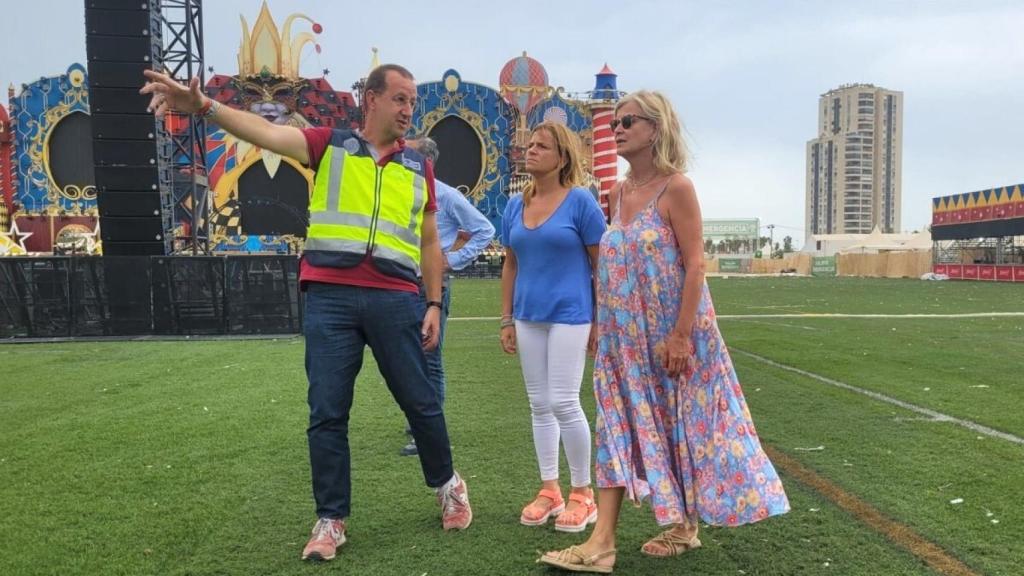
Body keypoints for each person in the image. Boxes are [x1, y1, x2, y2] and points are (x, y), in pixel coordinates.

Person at [140, 64, 473, 563]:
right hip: (330, 297)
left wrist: (431, 302)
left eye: (411, 102)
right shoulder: (329, 145)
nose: (408, 110)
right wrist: (205, 107)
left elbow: (428, 242)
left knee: (420, 402)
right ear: (373, 100)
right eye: (400, 99)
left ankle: (448, 485)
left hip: (395, 298)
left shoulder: (418, 167)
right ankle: (331, 519)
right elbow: (266, 131)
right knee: (326, 413)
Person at [540, 91, 789, 573]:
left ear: (655, 128)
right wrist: (601, 326)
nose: (617, 128)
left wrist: (680, 336)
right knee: (614, 425)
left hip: (676, 334)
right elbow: (613, 266)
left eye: (627, 120)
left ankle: (684, 526)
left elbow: (695, 266)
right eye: (614, 122)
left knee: (684, 428)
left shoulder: (677, 188)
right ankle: (603, 542)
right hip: (622, 339)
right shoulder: (615, 194)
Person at [500, 122, 607, 533]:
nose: (531, 151)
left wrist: (599, 321)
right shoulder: (515, 205)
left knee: (564, 401)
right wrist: (506, 319)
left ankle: (584, 494)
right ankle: (550, 490)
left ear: (562, 157)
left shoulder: (581, 202)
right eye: (530, 145)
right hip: (528, 316)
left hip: (571, 315)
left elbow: (602, 267)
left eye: (541, 146)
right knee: (538, 404)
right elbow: (511, 264)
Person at [399, 136, 496, 456]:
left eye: (408, 157)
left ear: (424, 162)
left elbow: (485, 229)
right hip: (400, 282)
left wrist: (452, 261)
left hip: (430, 286)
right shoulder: (400, 191)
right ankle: (420, 421)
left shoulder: (446, 196)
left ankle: (429, 431)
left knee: (429, 358)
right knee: (409, 358)